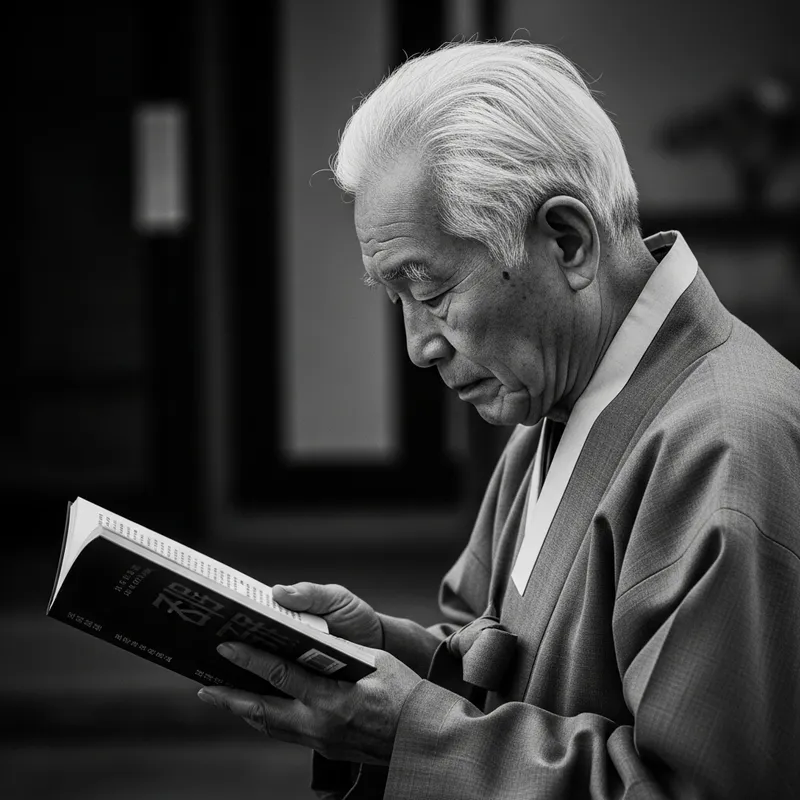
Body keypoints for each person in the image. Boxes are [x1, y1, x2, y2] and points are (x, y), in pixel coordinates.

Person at [196, 41, 800, 798]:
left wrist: (412, 733)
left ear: (568, 241)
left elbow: (702, 788)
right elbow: (505, 660)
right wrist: (384, 655)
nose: (419, 346)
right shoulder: (551, 407)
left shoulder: (729, 446)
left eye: (433, 289)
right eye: (397, 299)